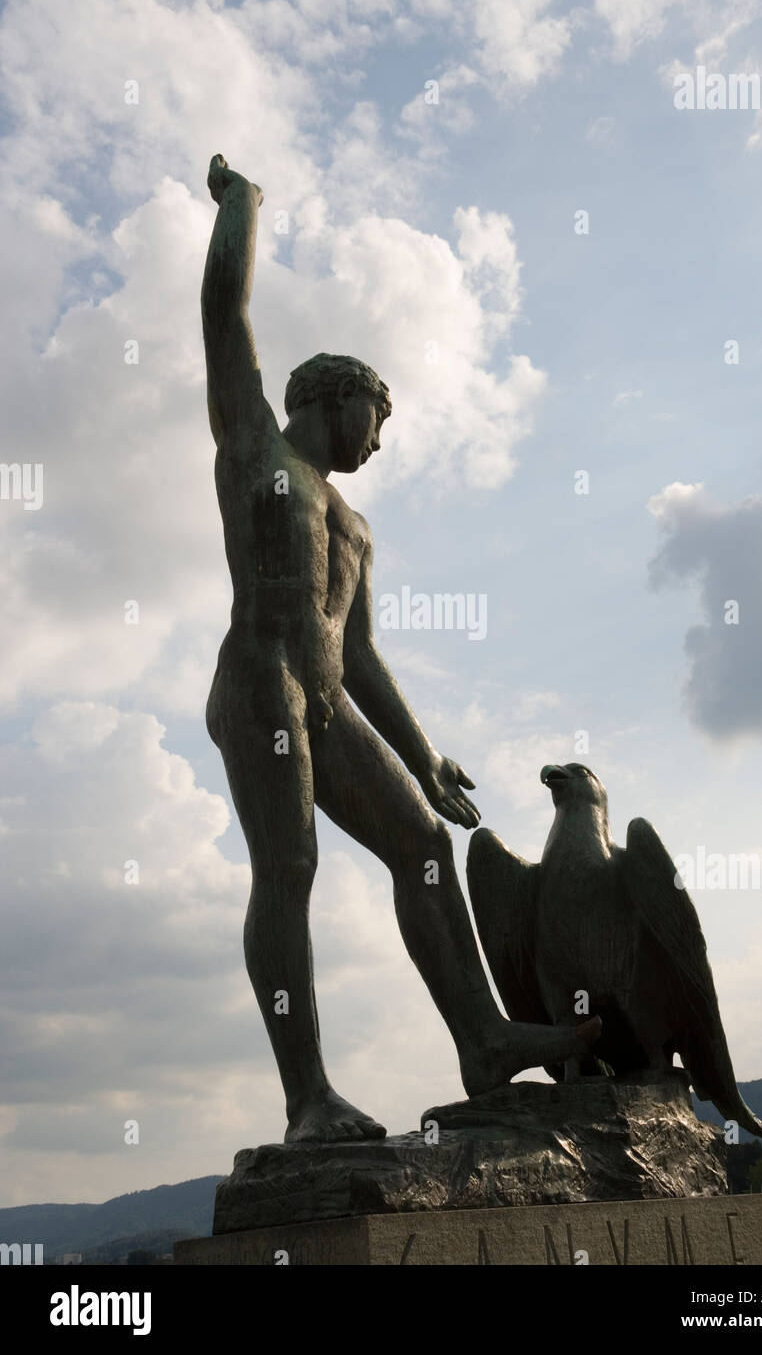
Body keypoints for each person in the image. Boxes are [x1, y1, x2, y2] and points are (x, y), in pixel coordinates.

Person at [201, 155, 600, 1141]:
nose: (377, 444)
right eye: (373, 422)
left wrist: (422, 757)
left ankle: (482, 1040)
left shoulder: (355, 523)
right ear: (332, 399)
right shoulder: (256, 445)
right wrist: (243, 207)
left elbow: (362, 651)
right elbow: (222, 311)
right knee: (289, 868)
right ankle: (307, 1101)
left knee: (423, 843)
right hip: (261, 686)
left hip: (329, 698)